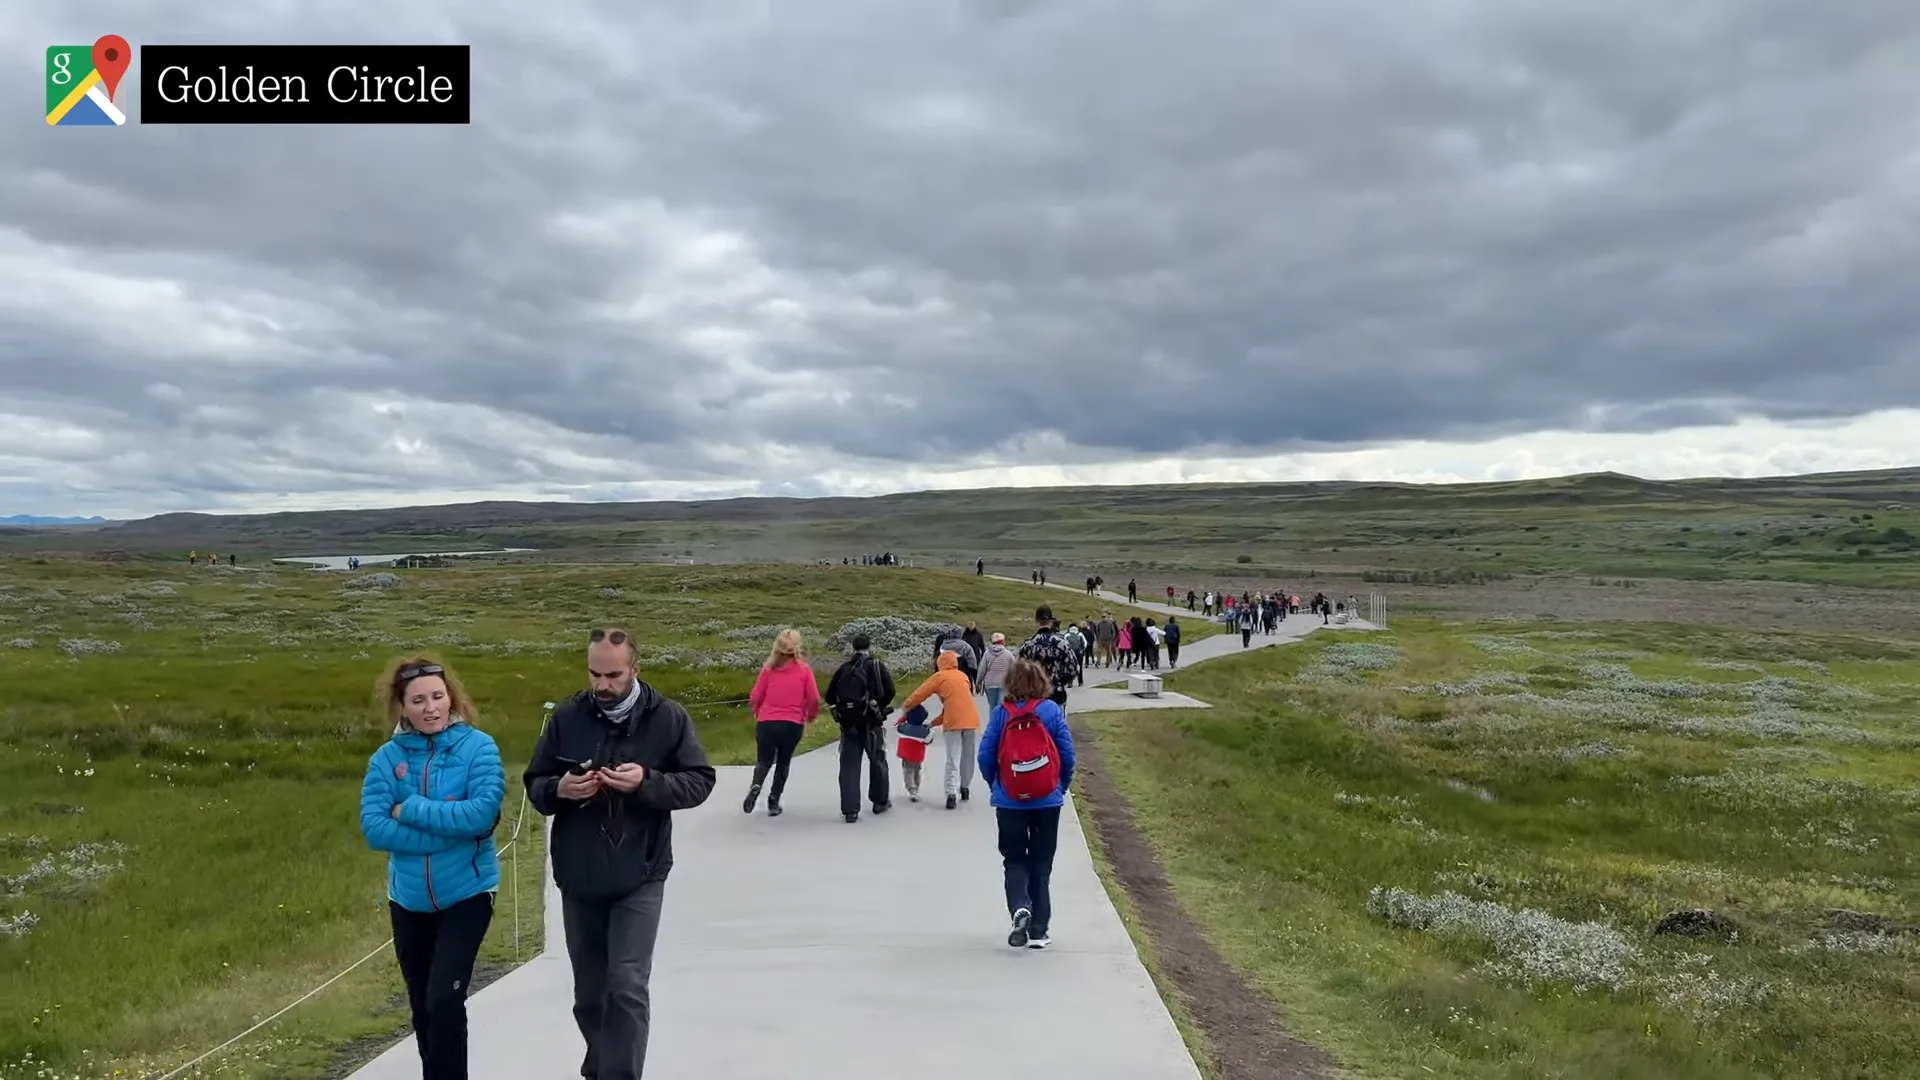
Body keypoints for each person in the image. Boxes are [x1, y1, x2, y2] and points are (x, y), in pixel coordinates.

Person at [523, 627, 717, 1080]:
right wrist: (561, 788)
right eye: (595, 674)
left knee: (627, 986)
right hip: (580, 874)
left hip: (641, 872)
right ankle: (604, 1067)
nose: (602, 685)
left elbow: (700, 781)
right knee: (590, 996)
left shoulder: (668, 718)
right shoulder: (567, 717)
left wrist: (646, 783)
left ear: (635, 668)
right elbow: (535, 785)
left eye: (613, 674)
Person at [360, 656, 504, 1080]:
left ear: (451, 697)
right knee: (423, 1006)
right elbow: (375, 828)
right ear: (402, 706)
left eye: (438, 696)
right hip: (408, 900)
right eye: (418, 700)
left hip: (468, 893)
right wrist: (447, 822)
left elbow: (479, 816)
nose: (431, 708)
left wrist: (411, 808)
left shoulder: (480, 747)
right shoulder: (386, 759)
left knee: (444, 999)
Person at [977, 659, 1075, 950]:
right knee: (1042, 863)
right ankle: (1039, 930)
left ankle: (1020, 907)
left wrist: (997, 784)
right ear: (1042, 682)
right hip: (1047, 799)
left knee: (1015, 860)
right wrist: (1061, 785)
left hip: (1010, 800)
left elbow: (985, 755)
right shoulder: (1051, 711)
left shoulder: (1001, 714)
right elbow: (1068, 754)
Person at [742, 628, 819, 817]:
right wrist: (810, 715)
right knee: (783, 763)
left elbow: (755, 696)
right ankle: (774, 801)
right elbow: (814, 698)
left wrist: (758, 710)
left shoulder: (768, 669)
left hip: (767, 721)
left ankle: (756, 785)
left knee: (764, 761)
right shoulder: (804, 670)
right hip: (792, 723)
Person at [824, 632, 896, 822]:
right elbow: (890, 690)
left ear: (853, 647)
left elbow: (829, 697)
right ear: (868, 646)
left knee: (849, 766)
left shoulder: (844, 669)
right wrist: (879, 707)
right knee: (878, 760)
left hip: (848, 725)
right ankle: (880, 802)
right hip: (872, 724)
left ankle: (850, 810)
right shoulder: (876, 666)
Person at [898, 648, 982, 809]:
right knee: (968, 756)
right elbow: (957, 704)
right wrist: (932, 724)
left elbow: (920, 694)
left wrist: (907, 706)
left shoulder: (939, 677)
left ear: (940, 663)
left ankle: (951, 793)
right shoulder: (963, 676)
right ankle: (965, 788)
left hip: (953, 722)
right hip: (972, 720)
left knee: (952, 758)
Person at [1016, 606, 1081, 711]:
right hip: (1056, 695)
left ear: (1036, 621)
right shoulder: (1062, 644)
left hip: (1033, 697)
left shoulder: (1027, 646)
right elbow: (1074, 667)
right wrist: (1060, 681)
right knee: (1057, 725)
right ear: (1051, 622)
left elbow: (1018, 672)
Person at [976, 631, 1014, 712]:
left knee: (992, 706)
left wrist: (978, 682)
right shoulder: (1008, 654)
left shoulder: (987, 654)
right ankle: (1001, 723)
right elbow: (1014, 670)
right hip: (1004, 683)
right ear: (1003, 642)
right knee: (1002, 706)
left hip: (990, 684)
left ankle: (993, 722)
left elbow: (982, 669)